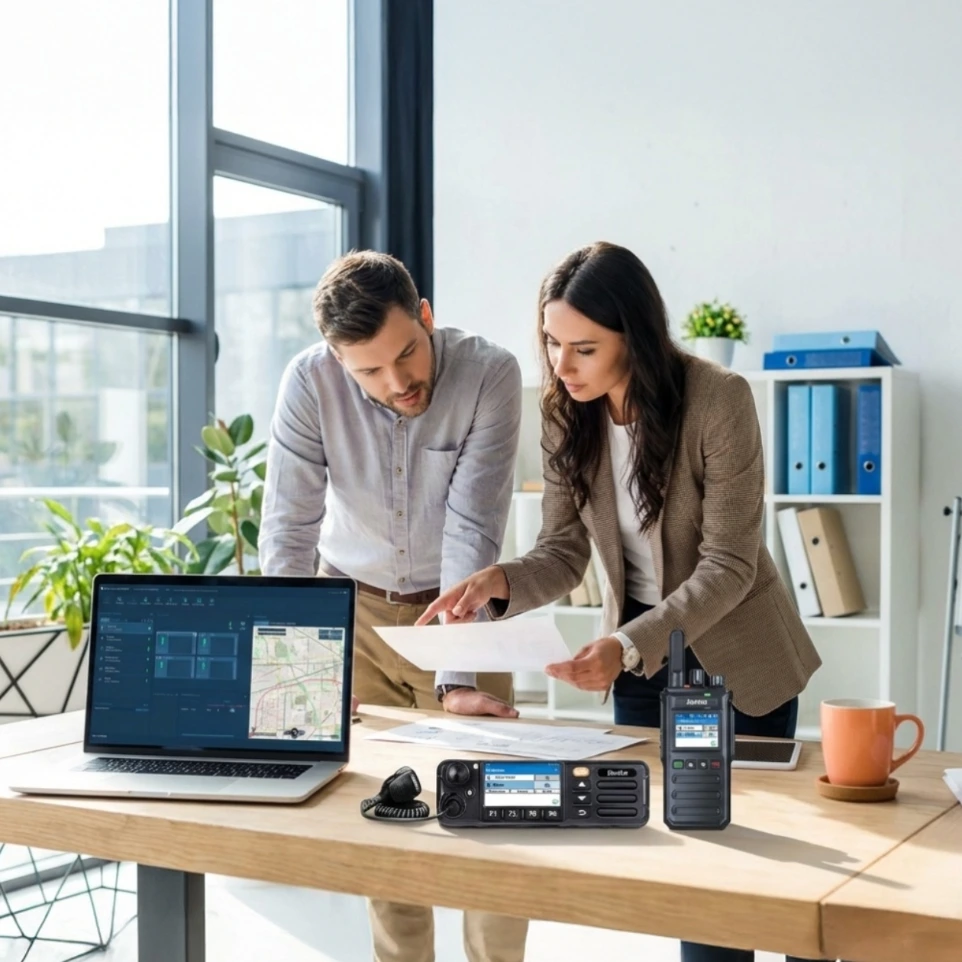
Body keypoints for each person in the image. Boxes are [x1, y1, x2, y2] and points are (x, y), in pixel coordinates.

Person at [417, 241, 829, 962]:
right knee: (689, 872)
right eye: (551, 344)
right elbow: (562, 551)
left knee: (775, 872)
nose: (562, 367)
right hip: (640, 672)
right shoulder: (562, 414)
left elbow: (729, 564)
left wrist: (625, 643)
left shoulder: (718, 400)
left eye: (583, 348)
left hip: (741, 661)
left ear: (632, 337)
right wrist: (498, 582)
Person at [259, 250, 529, 962]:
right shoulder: (309, 382)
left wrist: (459, 677)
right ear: (336, 359)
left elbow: (473, 527)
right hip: (357, 615)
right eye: (369, 372)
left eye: (407, 354)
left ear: (427, 317)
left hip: (459, 611)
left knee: (493, 830)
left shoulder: (489, 373)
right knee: (389, 829)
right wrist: (303, 676)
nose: (397, 382)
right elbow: (288, 534)